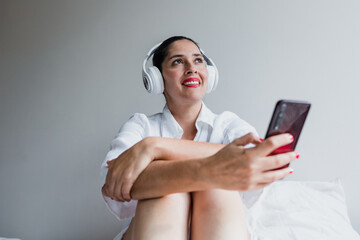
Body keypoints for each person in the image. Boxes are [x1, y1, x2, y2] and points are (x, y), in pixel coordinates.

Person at [101, 36, 298, 240]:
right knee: (168, 194)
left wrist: (154, 148)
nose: (191, 68)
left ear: (209, 74)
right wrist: (217, 167)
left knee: (216, 189)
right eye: (177, 61)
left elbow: (256, 161)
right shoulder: (141, 126)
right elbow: (115, 181)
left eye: (198, 60)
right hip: (151, 229)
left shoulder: (228, 125)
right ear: (157, 79)